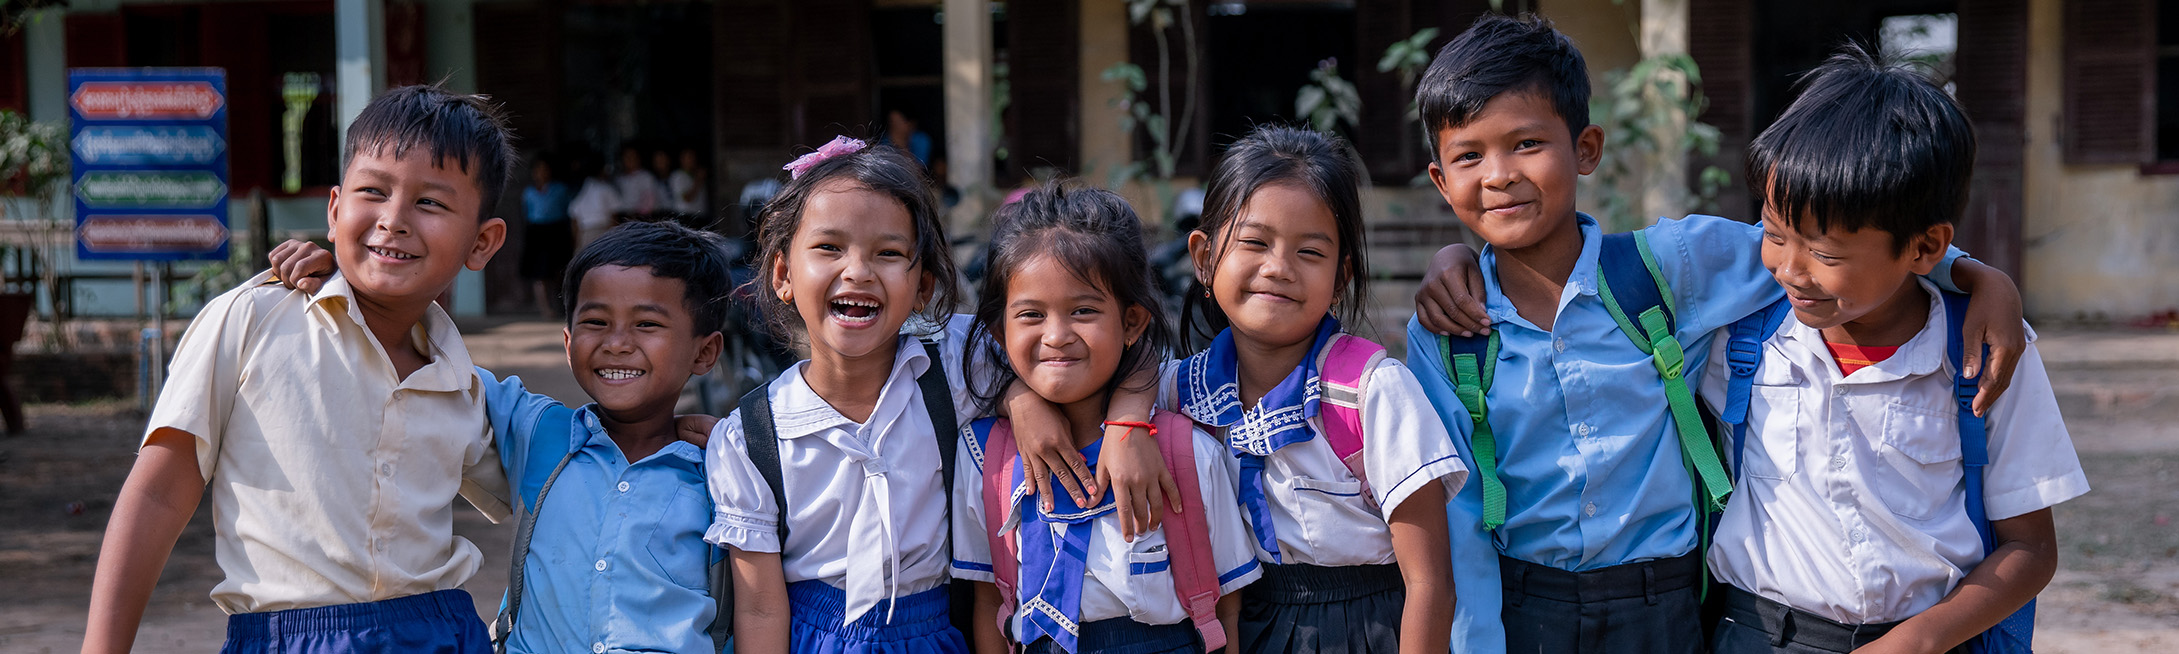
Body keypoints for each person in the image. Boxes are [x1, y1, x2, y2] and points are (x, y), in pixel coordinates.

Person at [1397, 14, 2029, 654]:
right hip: (1523, 606)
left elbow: (1834, 243)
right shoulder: (1448, 336)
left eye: (1527, 143)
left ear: (1586, 148)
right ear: (1441, 180)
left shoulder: (1670, 269)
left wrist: (1978, 278)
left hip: (1668, 604)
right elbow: (1461, 519)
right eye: (1469, 156)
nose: (1499, 174)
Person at [83, 84, 519, 654]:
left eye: (431, 203)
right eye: (373, 192)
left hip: (441, 633)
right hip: (288, 638)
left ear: (481, 243)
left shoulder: (462, 383)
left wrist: (671, 432)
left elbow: (560, 481)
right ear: (335, 211)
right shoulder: (254, 321)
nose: (393, 221)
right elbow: (160, 494)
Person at [1695, 47, 2085, 654]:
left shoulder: (1985, 354)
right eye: (1774, 234)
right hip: (1755, 635)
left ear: (1926, 246)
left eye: (1825, 255)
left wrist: (1923, 640)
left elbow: (2030, 548)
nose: (1789, 270)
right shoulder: (1735, 330)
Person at [1175, 125, 1463, 653]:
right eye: (1254, 242)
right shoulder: (1181, 393)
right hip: (1245, 625)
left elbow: (1430, 584)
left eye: (1310, 252)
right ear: (1204, 256)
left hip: (1367, 628)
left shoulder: (1371, 390)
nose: (1278, 269)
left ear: (1341, 276)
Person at [950, 183, 1260, 654]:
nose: (1056, 336)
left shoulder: (1185, 453)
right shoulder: (983, 457)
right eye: (1031, 314)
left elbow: (1228, 605)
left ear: (1132, 322)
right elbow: (990, 598)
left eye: (1083, 310)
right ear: (1000, 330)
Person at [521, 156, 576, 318]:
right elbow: (527, 213)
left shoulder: (560, 189)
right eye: (537, 169)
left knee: (558, 270)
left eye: (544, 169)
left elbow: (569, 212)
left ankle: (561, 304)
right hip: (537, 232)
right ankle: (545, 308)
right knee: (539, 273)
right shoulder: (529, 192)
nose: (541, 173)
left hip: (557, 231)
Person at [570, 154, 625, 251]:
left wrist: (577, 243)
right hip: (603, 233)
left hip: (585, 234)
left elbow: (575, 221)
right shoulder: (606, 189)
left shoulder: (579, 191)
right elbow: (614, 218)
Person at [618, 145, 667, 217]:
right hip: (623, 217)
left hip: (642, 218)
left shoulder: (646, 177)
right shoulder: (619, 178)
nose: (630, 159)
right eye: (627, 157)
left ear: (638, 158)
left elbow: (651, 202)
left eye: (633, 156)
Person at [672, 147, 710, 214]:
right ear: (682, 159)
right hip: (686, 216)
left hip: (701, 215)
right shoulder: (678, 176)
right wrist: (698, 180)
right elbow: (687, 198)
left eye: (693, 157)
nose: (692, 160)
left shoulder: (696, 174)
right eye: (689, 157)